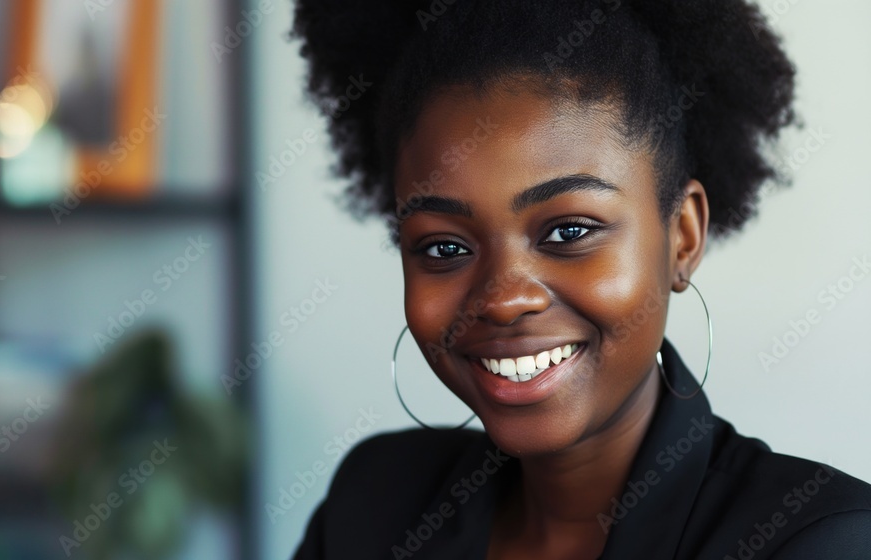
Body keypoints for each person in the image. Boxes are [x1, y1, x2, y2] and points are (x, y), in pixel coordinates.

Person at [288, 1, 871, 558]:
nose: (505, 299)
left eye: (568, 232)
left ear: (683, 237)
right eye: (445, 246)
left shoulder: (819, 541)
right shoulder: (374, 504)